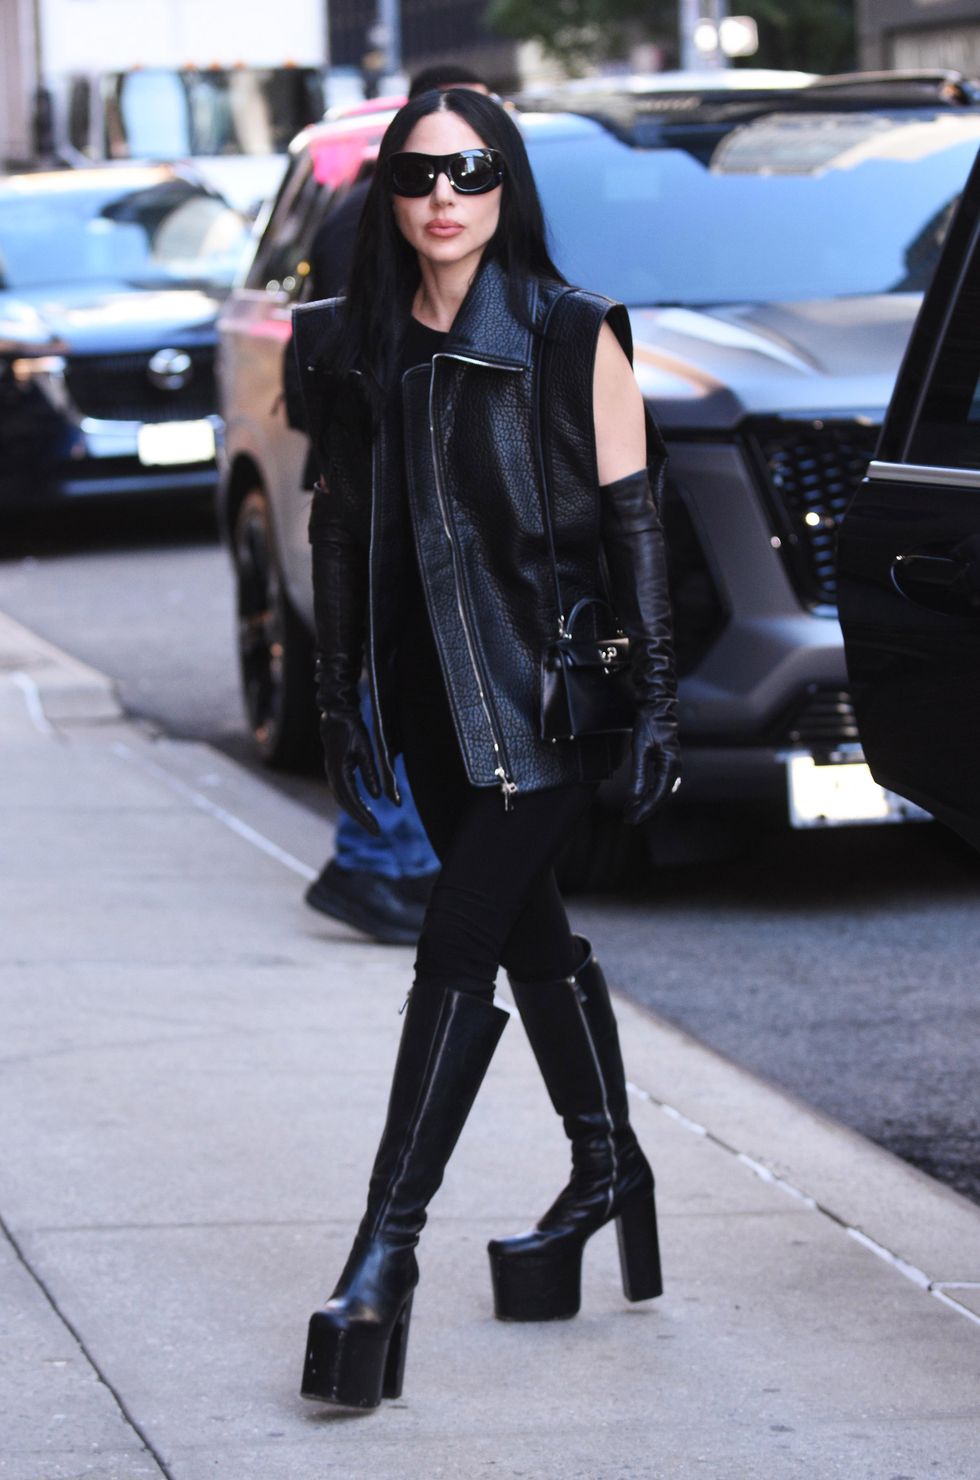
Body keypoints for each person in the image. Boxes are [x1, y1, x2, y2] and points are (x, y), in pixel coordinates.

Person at [292, 86, 680, 1410]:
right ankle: (606, 1170)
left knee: (454, 943)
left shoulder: (570, 334)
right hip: (426, 708)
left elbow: (635, 528)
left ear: (506, 185)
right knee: (529, 935)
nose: (443, 198)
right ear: (388, 198)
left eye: (469, 172)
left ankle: (381, 1257)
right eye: (417, 176)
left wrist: (656, 708)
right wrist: (338, 697)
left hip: (541, 703)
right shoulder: (351, 342)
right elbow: (340, 527)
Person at [300, 65, 492, 945]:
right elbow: (356, 350)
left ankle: (394, 859)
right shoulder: (375, 218)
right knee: (394, 672)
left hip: (398, 474)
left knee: (408, 674)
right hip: (385, 479)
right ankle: (372, 861)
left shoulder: (383, 210)